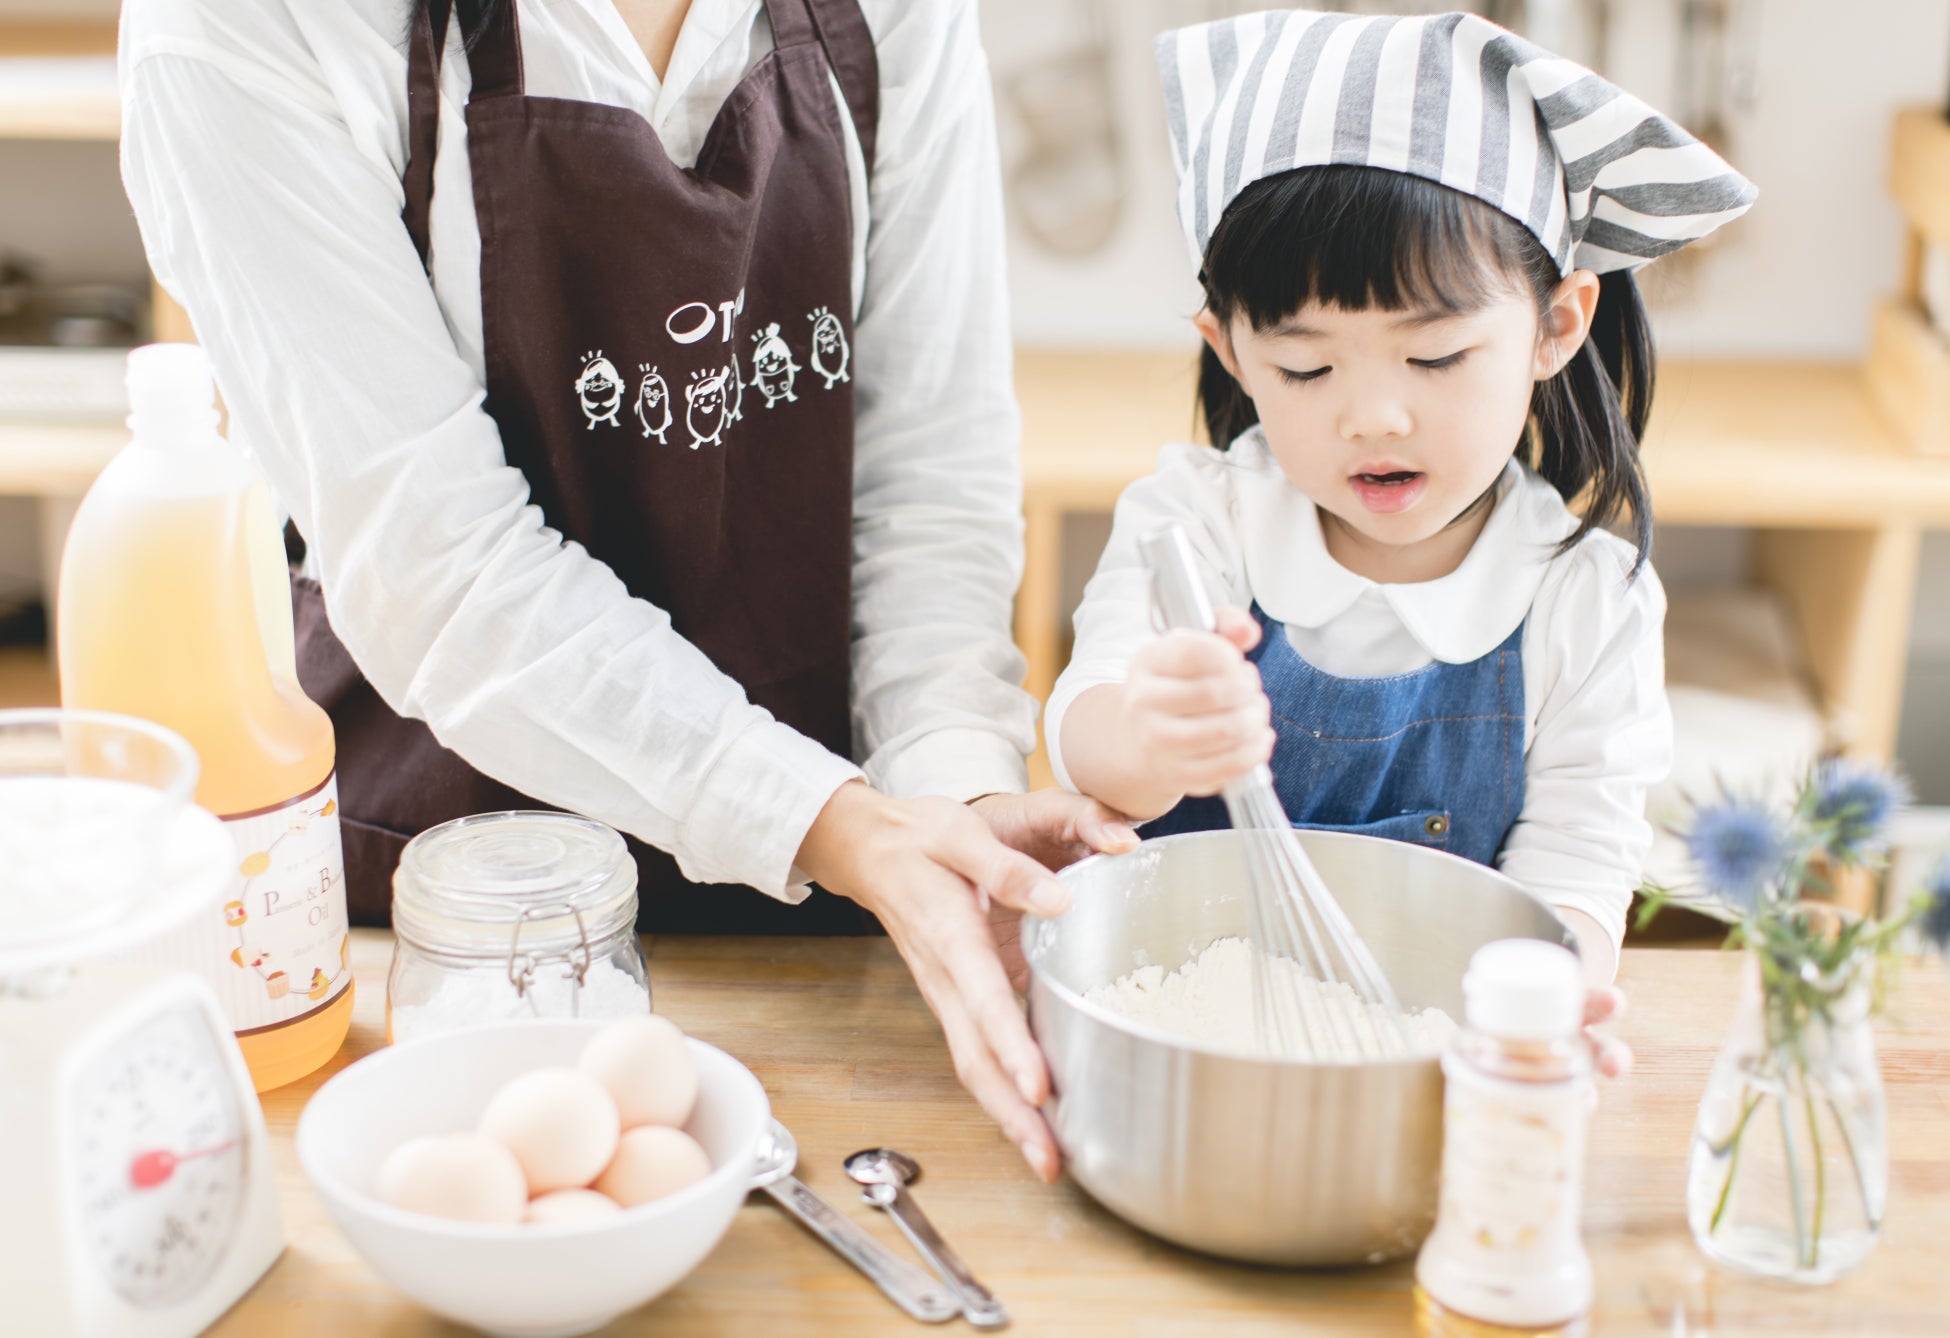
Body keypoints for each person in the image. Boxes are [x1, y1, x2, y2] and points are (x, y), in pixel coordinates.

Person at [119, 0, 1134, 1181]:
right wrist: (844, 824)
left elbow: (925, 476)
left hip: (827, 917)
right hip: (456, 938)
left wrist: (950, 805)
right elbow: (440, 570)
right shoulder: (253, 23)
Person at [1049, 9, 1756, 1022]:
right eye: (1306, 366)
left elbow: (1578, 864)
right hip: (1187, 1029)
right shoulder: (1195, 525)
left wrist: (1540, 1014)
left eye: (1435, 357)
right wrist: (1153, 737)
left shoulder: (1582, 600)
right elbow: (1091, 738)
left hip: (1437, 1046)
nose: (1373, 417)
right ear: (1232, 350)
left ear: (1556, 325)